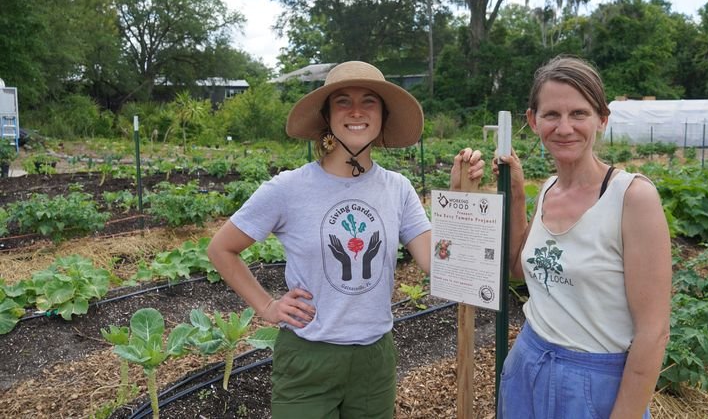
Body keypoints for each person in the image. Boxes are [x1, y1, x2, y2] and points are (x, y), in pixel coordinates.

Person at [207, 60, 484, 418]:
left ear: (383, 116)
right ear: (327, 115)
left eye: (369, 101)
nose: (356, 111)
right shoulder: (289, 188)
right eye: (343, 101)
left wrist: (458, 199)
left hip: (374, 360)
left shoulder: (397, 189)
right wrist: (267, 306)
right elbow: (221, 249)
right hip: (308, 357)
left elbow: (437, 263)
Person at [495, 55, 671, 419]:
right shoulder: (547, 189)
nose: (564, 128)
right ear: (533, 120)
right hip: (528, 363)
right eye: (551, 115)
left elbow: (653, 333)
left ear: (601, 119)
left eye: (578, 114)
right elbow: (518, 269)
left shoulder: (632, 197)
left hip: (595, 383)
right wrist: (515, 191)